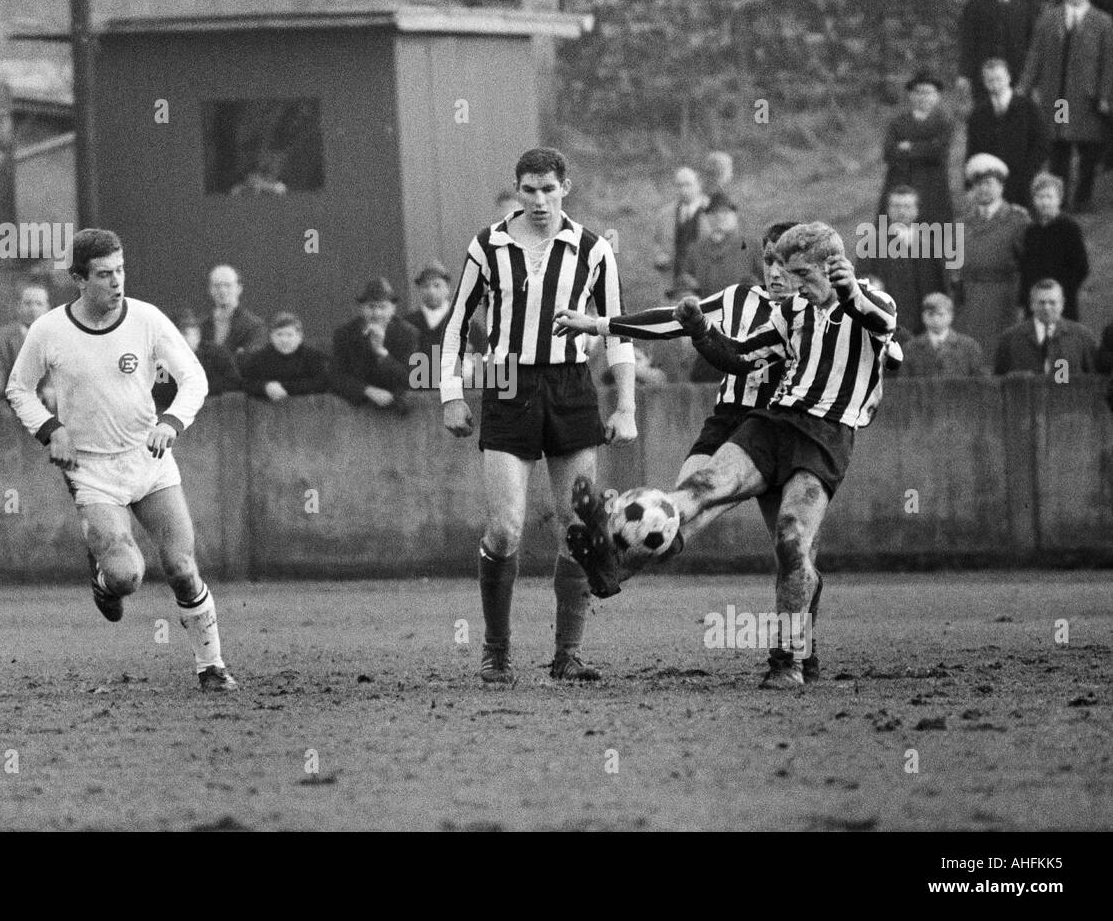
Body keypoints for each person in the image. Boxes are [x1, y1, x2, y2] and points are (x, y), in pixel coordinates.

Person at [566, 223, 897, 689]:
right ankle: (614, 536)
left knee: (792, 540)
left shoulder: (872, 301)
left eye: (799, 271)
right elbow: (742, 356)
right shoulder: (789, 311)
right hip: (770, 421)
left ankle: (790, 659)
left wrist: (846, 295)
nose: (786, 279)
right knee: (700, 489)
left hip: (824, 436)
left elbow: (883, 329)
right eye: (776, 265)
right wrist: (701, 331)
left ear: (831, 266)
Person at [4, 228, 237, 692]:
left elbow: (194, 378)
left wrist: (170, 422)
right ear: (78, 279)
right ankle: (105, 579)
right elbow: (18, 389)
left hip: (147, 460)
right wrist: (52, 430)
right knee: (128, 575)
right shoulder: (49, 330)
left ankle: (211, 667)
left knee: (182, 568)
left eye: (121, 270)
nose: (117, 282)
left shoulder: (147, 319)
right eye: (104, 274)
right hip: (92, 470)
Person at [440, 147, 637, 685]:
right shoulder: (488, 244)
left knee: (575, 528)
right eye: (530, 189)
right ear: (518, 191)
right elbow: (457, 322)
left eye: (549, 189)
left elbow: (617, 330)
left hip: (571, 388)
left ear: (566, 188)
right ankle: (496, 650)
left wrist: (625, 405)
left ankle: (566, 655)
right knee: (505, 528)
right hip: (507, 386)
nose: (540, 200)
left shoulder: (594, 249)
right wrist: (451, 393)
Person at [1017, 0, 1113, 213]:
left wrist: (1104, 95)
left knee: (1089, 150)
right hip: (1059, 98)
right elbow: (1035, 55)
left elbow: (1108, 62)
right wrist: (1024, 88)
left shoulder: (1102, 23)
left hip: (1087, 98)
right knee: (1058, 146)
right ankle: (1057, 198)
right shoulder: (1049, 18)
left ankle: (1082, 199)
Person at [952, 153, 1031, 358]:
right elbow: (952, 265)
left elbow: (1029, 264)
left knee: (1002, 352)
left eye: (989, 183)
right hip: (970, 300)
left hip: (1004, 297)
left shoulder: (1018, 220)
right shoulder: (961, 224)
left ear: (1001, 186)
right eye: (977, 184)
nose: (983, 189)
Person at [957, 0, 1039, 106]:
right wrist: (964, 74)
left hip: (1018, 74)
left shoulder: (1027, 3)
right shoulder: (976, 2)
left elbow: (1034, 42)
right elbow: (967, 40)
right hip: (984, 76)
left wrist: (1033, 76)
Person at [330, 278, 420, 413]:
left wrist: (381, 352)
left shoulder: (408, 333)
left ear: (393, 309)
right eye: (371, 307)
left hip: (397, 411)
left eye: (382, 307)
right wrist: (367, 390)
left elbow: (410, 378)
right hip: (357, 411)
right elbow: (336, 376)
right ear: (362, 308)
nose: (377, 313)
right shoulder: (345, 334)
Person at [965, 59, 1047, 207]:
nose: (995, 84)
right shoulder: (978, 114)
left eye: (999, 79)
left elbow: (1041, 143)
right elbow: (973, 150)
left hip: (1022, 180)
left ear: (1008, 78)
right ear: (984, 82)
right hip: (990, 182)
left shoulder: (1028, 108)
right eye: (990, 80)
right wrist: (970, 183)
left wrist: (1029, 172)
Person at [878, 71, 955, 227]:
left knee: (934, 238)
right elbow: (889, 153)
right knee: (893, 237)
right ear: (911, 95)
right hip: (901, 182)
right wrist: (926, 147)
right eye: (918, 92)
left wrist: (909, 147)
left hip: (933, 186)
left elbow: (938, 153)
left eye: (927, 92)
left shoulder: (944, 122)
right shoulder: (898, 122)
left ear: (937, 96)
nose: (922, 97)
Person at [870, 185, 948, 334]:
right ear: (888, 209)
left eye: (907, 206)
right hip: (888, 320)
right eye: (896, 206)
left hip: (925, 323)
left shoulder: (931, 244)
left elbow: (941, 284)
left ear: (916, 210)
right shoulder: (873, 242)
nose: (901, 211)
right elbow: (864, 280)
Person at [1016, 173, 1089, 322]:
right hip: (1035, 303)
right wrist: (1023, 302)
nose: (1045, 202)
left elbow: (1081, 267)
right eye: (1040, 197)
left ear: (1059, 199)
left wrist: (1061, 294)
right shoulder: (1031, 231)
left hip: (1063, 302)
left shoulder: (1070, 228)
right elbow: (1025, 270)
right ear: (1034, 200)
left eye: (1049, 197)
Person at [994, 279, 1099, 376]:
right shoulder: (1010, 339)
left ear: (1062, 303)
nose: (1047, 308)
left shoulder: (1082, 336)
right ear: (1031, 304)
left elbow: (1094, 379)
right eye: (1041, 303)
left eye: (1052, 302)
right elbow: (998, 380)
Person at [669, 191, 759, 298]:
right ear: (706, 217)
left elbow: (768, 284)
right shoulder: (695, 249)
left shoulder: (751, 246)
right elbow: (684, 284)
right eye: (714, 213)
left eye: (725, 212)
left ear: (735, 216)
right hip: (705, 311)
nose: (720, 217)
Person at [0, 283, 53, 407]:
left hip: (48, 401)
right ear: (18, 307)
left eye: (39, 304)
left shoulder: (60, 337)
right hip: (13, 403)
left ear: (48, 308)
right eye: (28, 303)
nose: (33, 308)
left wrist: (51, 387)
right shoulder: (1, 337)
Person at [152, 309, 243, 412]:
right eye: (176, 334)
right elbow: (160, 392)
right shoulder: (163, 361)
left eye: (185, 333)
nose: (181, 339)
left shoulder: (217, 354)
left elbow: (234, 382)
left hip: (216, 414)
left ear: (197, 335)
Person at [239, 312, 330, 401]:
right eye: (279, 334)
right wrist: (265, 387)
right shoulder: (259, 358)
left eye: (289, 335)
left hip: (306, 406)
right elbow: (246, 382)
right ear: (271, 337)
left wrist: (285, 388)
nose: (284, 340)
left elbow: (322, 382)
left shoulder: (313, 357)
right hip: (269, 407)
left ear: (300, 337)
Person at [897, 293, 986, 378]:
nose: (935, 319)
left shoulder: (969, 347)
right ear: (923, 317)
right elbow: (903, 384)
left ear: (950, 316)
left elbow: (979, 383)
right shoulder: (910, 348)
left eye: (940, 314)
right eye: (931, 314)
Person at [654, 166, 710, 296]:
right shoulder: (665, 215)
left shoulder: (712, 212)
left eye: (688, 185)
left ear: (699, 184)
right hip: (675, 283)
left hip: (705, 281)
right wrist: (659, 257)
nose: (683, 190)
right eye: (679, 186)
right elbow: (657, 243)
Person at [201, 264, 267, 365]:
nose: (222, 290)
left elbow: (252, 362)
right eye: (217, 286)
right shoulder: (200, 326)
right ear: (210, 290)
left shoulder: (254, 327)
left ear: (239, 288)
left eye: (227, 285)